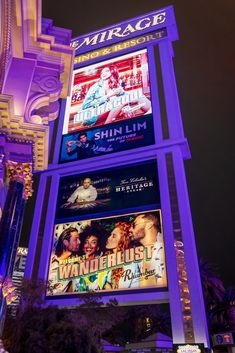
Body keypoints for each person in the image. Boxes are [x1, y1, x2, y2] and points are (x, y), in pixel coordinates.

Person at [128, 213, 165, 288]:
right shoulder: (137, 255)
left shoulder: (167, 248)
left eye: (134, 225)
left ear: (149, 224)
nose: (130, 229)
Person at [73, 225, 111, 292]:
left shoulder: (103, 265)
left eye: (93, 242)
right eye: (86, 242)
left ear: (98, 247)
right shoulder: (75, 265)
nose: (89, 246)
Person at [48, 227, 81, 294]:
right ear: (65, 242)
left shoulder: (75, 264)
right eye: (75, 239)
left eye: (79, 239)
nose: (79, 242)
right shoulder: (50, 259)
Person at [105, 222, 131, 289]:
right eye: (110, 235)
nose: (108, 238)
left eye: (113, 236)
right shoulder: (109, 259)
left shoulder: (129, 261)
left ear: (123, 240)